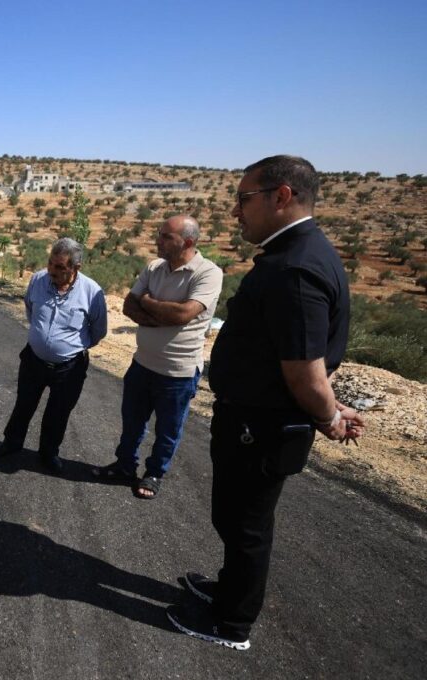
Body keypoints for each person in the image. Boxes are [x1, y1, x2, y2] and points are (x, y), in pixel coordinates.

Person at [166, 155, 365, 650]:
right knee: (236, 519)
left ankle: (231, 625)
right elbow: (305, 358)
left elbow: (305, 369)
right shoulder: (297, 254)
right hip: (256, 422)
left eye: (244, 199)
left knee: (247, 526)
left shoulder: (294, 268)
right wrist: (330, 406)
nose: (236, 212)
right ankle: (229, 590)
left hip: (262, 428)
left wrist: (329, 415)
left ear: (281, 196)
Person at [93, 215, 223, 499]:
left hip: (178, 373)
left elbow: (183, 314)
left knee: (168, 430)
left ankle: (154, 474)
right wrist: (158, 316)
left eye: (166, 236)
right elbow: (129, 305)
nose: (158, 240)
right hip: (142, 364)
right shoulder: (154, 267)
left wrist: (148, 300)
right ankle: (125, 465)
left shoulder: (209, 273)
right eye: (159, 234)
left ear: (187, 242)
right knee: (132, 423)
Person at [0, 238, 107, 474]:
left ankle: (49, 453)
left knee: (58, 412)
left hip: (69, 367)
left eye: (59, 267)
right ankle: (11, 443)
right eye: (50, 263)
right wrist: (42, 339)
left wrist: (70, 347)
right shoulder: (37, 280)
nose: (52, 270)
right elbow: (30, 310)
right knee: (24, 404)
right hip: (34, 360)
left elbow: (98, 331)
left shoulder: (92, 292)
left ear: (76, 267)